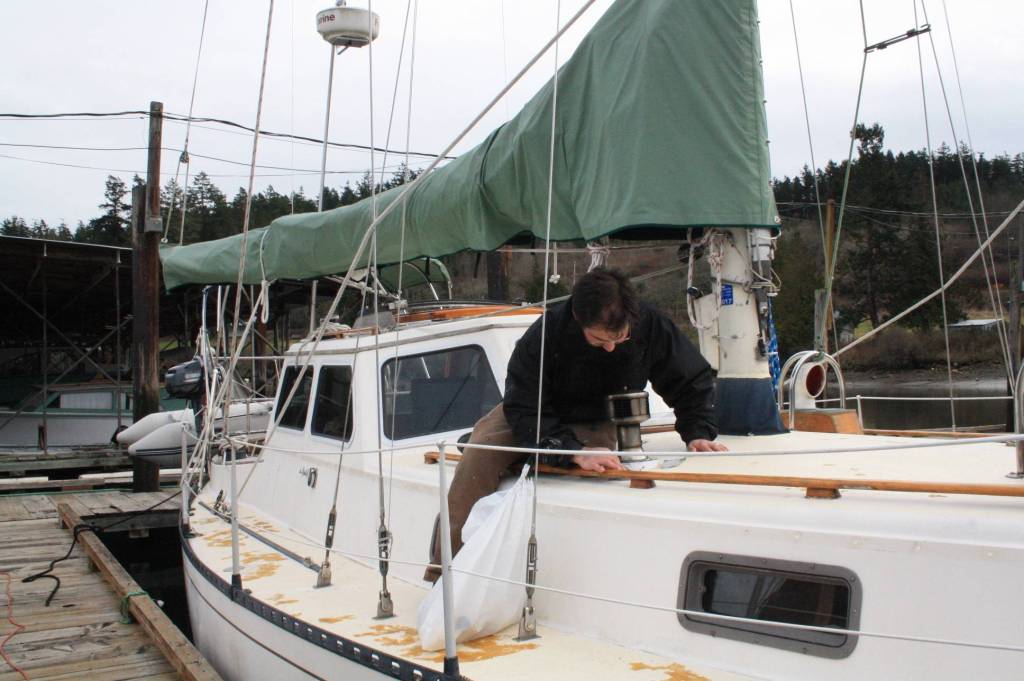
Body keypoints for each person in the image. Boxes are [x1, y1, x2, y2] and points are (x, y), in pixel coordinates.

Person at [425, 267, 726, 582]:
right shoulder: (544, 335)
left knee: (598, 463)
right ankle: (446, 569)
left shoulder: (650, 324)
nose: (611, 347)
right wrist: (570, 451)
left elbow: (689, 379)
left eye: (620, 338)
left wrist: (697, 431)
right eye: (599, 339)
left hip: (599, 415)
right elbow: (524, 404)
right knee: (481, 449)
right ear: (578, 318)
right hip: (537, 408)